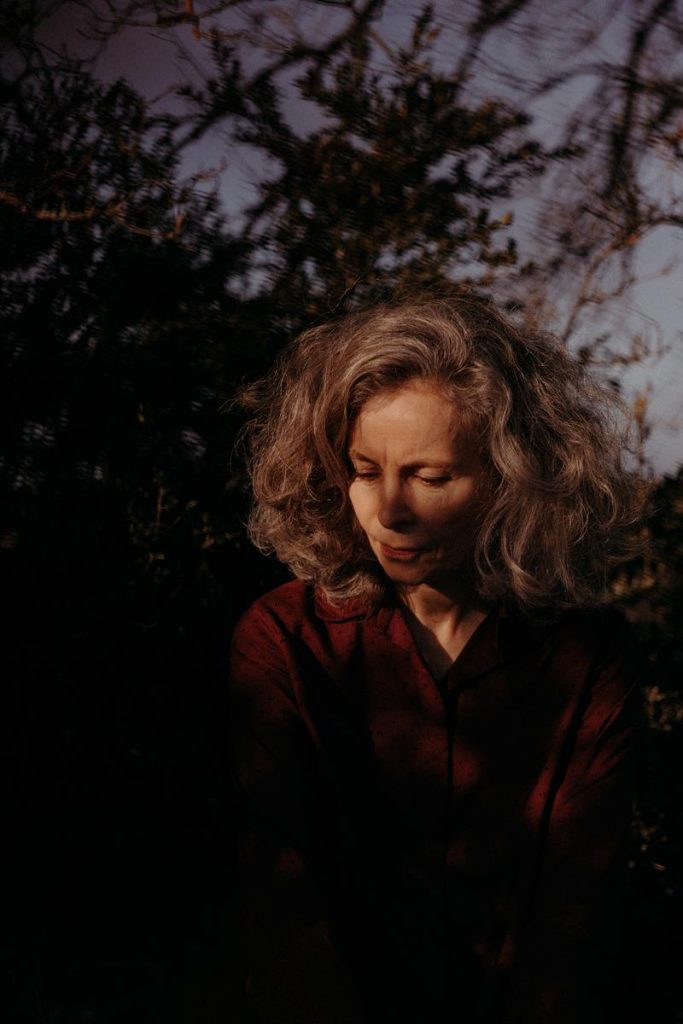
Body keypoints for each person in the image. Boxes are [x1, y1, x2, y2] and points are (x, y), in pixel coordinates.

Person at [228, 293, 644, 1024]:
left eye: (429, 476)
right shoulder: (282, 640)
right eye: (363, 471)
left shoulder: (585, 658)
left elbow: (575, 913)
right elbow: (278, 901)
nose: (388, 510)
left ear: (511, 481)